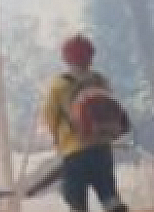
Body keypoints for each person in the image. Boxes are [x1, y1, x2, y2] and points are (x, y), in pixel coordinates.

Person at [44, 34, 129, 212]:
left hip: (73, 151)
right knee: (108, 194)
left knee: (77, 202)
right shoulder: (100, 80)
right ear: (91, 56)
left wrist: (57, 138)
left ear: (66, 57)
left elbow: (50, 116)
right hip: (101, 147)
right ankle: (114, 206)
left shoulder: (59, 84)